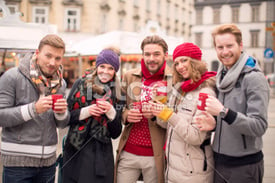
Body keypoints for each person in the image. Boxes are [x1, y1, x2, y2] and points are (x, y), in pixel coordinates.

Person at [196, 24, 270, 183]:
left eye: (229, 46)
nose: (224, 52)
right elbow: (230, 119)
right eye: (220, 47)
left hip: (244, 165)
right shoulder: (222, 76)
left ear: (241, 45)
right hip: (219, 161)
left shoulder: (254, 78)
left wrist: (223, 112)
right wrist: (214, 123)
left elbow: (259, 126)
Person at [0, 34, 70, 183]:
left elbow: (62, 124)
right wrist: (33, 109)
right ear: (37, 53)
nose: (52, 62)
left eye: (58, 58)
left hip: (48, 164)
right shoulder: (12, 77)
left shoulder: (61, 83)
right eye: (48, 56)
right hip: (17, 164)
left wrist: (61, 113)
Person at [150, 42, 216, 183]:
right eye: (176, 63)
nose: (180, 66)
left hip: (193, 171)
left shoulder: (206, 92)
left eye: (184, 60)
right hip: (174, 168)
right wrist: (160, 104)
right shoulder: (180, 89)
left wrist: (169, 114)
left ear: (195, 61)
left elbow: (196, 137)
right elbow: (167, 126)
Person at [115, 35, 173, 183]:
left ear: (165, 55)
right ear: (142, 55)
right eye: (147, 54)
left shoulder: (173, 80)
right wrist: (126, 115)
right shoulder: (129, 76)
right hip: (128, 151)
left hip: (156, 154)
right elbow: (118, 107)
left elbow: (177, 118)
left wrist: (156, 116)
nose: (151, 58)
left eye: (156, 54)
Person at [62, 49, 123, 183]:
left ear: (115, 71)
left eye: (110, 68)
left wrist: (111, 112)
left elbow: (116, 133)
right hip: (76, 150)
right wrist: (87, 111)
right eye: (102, 66)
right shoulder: (80, 84)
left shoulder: (118, 92)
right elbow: (65, 118)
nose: (105, 71)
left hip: (101, 153)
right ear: (97, 66)